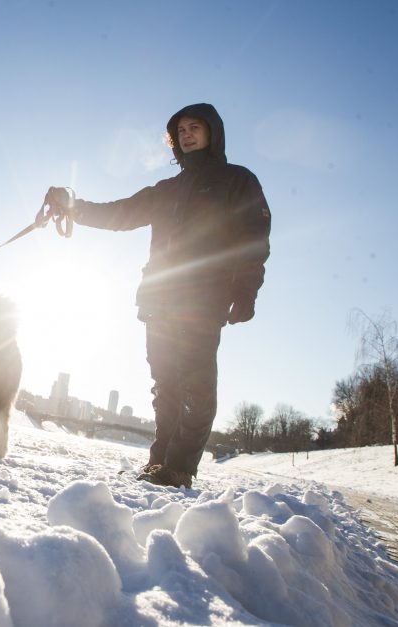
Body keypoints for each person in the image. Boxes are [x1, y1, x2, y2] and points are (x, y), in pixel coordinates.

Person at [45, 103, 271, 488]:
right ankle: (159, 463)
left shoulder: (237, 181)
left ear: (212, 132)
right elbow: (122, 214)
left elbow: (254, 238)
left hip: (203, 299)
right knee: (165, 386)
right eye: (180, 129)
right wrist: (74, 208)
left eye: (194, 127)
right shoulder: (168, 189)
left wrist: (246, 292)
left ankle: (180, 467)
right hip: (159, 300)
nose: (186, 134)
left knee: (195, 385)